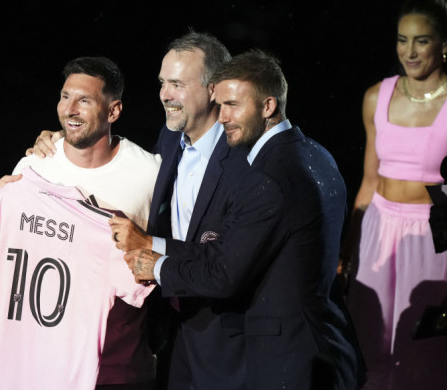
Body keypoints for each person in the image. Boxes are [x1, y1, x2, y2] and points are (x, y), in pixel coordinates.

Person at [114, 49, 359, 389]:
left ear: (268, 106)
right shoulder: (318, 155)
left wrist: (155, 266)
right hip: (323, 342)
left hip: (287, 360)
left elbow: (224, 273)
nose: (222, 115)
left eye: (232, 105)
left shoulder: (266, 177)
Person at [30, 32, 251, 389]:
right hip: (170, 335)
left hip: (225, 338)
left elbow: (229, 262)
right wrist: (65, 140)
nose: (165, 94)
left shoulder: (245, 161)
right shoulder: (168, 141)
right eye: (163, 82)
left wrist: (149, 244)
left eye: (177, 84)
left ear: (214, 89)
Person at [0, 57, 162, 389]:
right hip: (33, 367)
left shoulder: (149, 175)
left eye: (84, 100)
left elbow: (164, 260)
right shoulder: (34, 166)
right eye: (65, 97)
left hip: (116, 368)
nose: (70, 109)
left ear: (113, 112)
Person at [342, 0, 447, 390]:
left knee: (424, 358)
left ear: (446, 42)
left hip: (431, 238)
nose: (409, 52)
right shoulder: (376, 96)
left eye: (421, 40)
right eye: (402, 40)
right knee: (375, 352)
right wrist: (347, 249)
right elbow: (368, 180)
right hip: (378, 230)